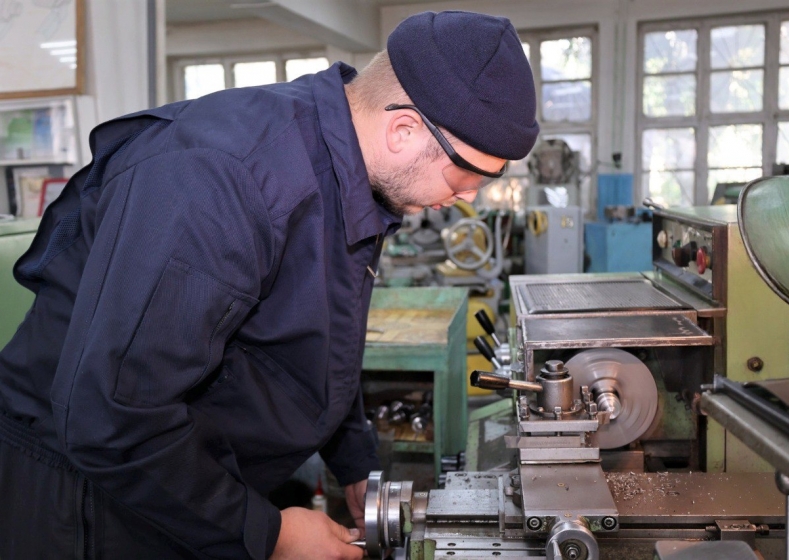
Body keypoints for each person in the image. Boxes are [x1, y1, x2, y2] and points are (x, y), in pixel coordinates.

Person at [0, 9, 538, 560]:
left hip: (184, 475)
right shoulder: (220, 182)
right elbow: (111, 414)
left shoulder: (349, 172)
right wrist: (267, 534)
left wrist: (355, 462)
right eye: (466, 174)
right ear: (403, 131)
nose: (468, 196)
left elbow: (320, 337)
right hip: (87, 498)